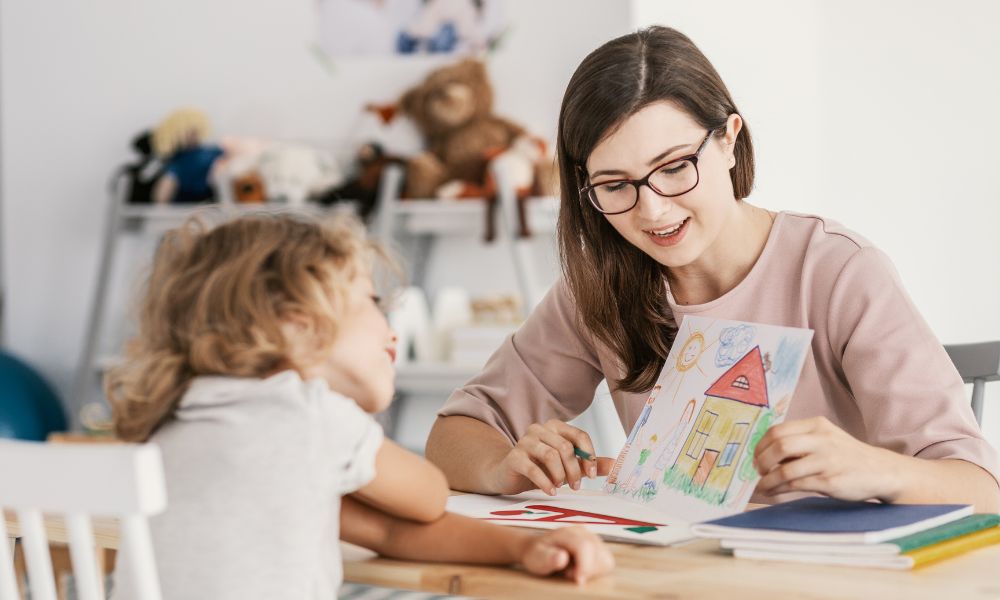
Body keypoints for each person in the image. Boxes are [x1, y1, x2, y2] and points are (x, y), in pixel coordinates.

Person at [425, 26, 1000, 512]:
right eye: (615, 185)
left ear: (728, 140)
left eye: (674, 167)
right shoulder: (599, 286)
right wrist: (504, 466)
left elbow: (981, 487)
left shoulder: (837, 271)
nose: (653, 210)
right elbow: (454, 434)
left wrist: (878, 470)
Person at [106, 213, 614, 599]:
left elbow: (385, 531)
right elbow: (427, 499)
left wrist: (523, 548)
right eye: (371, 301)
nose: (388, 325)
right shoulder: (312, 416)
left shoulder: (175, 422)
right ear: (295, 323)